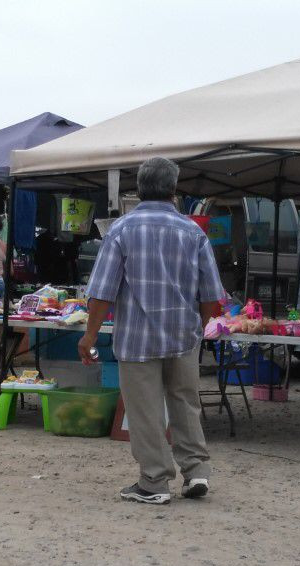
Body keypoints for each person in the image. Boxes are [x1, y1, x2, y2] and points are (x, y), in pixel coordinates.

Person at [79, 157, 224, 505]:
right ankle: (196, 471)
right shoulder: (193, 232)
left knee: (145, 410)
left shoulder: (121, 230)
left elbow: (102, 292)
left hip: (137, 338)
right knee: (185, 403)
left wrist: (89, 335)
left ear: (140, 188)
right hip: (183, 335)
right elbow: (211, 295)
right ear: (174, 190)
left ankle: (155, 481)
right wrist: (199, 327)